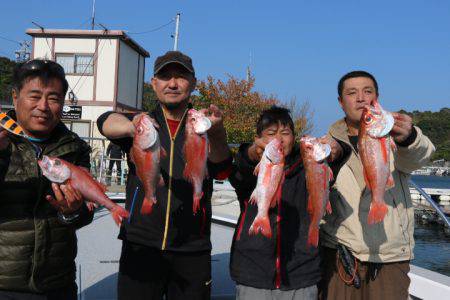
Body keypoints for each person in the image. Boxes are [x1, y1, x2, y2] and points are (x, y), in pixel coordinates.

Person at [96, 50, 232, 300]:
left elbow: (222, 168)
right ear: (154, 83)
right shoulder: (143, 122)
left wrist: (216, 132)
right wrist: (132, 127)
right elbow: (104, 121)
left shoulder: (200, 123)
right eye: (165, 77)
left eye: (180, 77)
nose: (172, 83)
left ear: (194, 83)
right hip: (141, 245)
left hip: (193, 247)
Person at [319, 71, 436, 300]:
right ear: (341, 103)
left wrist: (410, 138)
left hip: (389, 257)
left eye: (368, 91)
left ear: (377, 97)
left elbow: (420, 157)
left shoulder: (394, 136)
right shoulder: (326, 145)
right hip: (340, 254)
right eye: (352, 93)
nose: (361, 98)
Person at [229, 106, 350, 300]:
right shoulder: (252, 169)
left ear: (294, 137)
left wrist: (337, 148)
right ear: (259, 138)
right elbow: (241, 167)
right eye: (271, 133)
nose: (279, 139)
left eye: (285, 133)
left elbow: (339, 157)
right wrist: (252, 153)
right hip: (253, 273)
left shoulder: (308, 167)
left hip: (301, 274)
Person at [0, 59, 94, 299]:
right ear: (14, 96)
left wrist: (72, 211)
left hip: (56, 283)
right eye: (34, 96)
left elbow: (84, 215)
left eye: (53, 98)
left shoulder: (75, 147)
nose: (43, 106)